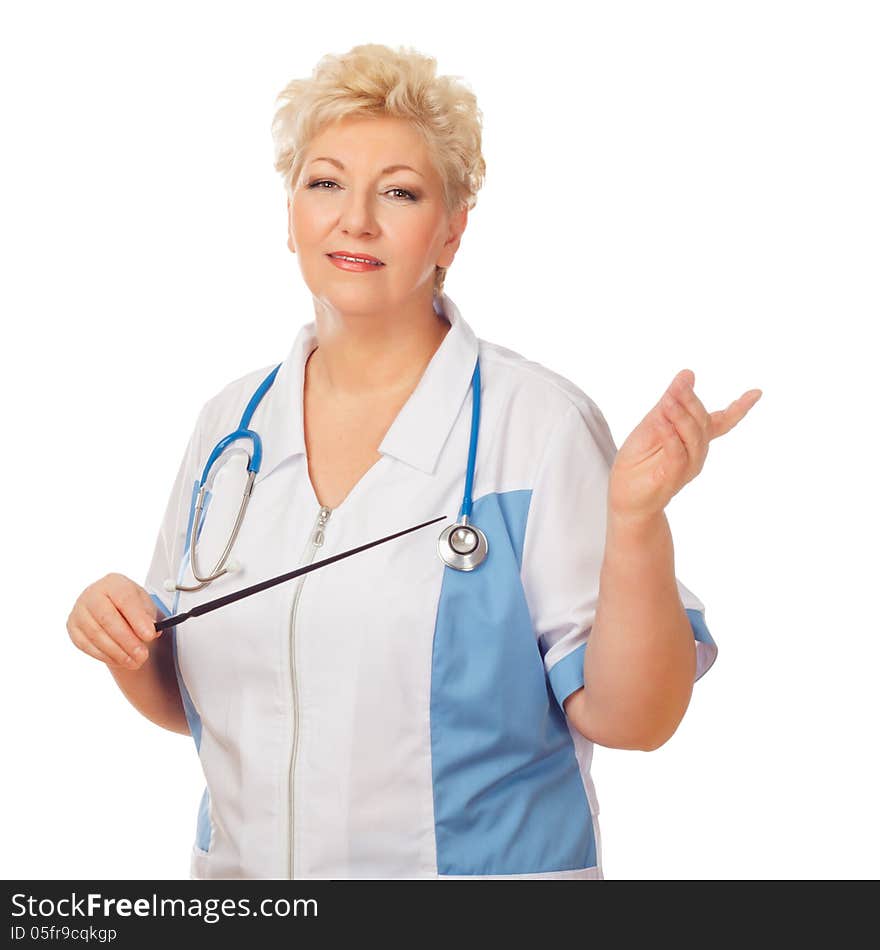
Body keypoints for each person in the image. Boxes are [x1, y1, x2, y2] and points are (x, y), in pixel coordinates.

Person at [66, 43, 762, 880]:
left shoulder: (533, 427)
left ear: (452, 231)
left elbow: (635, 717)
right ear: (290, 214)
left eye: (399, 191)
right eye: (325, 183)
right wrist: (126, 643)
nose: (355, 219)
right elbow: (205, 705)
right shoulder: (229, 430)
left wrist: (638, 521)